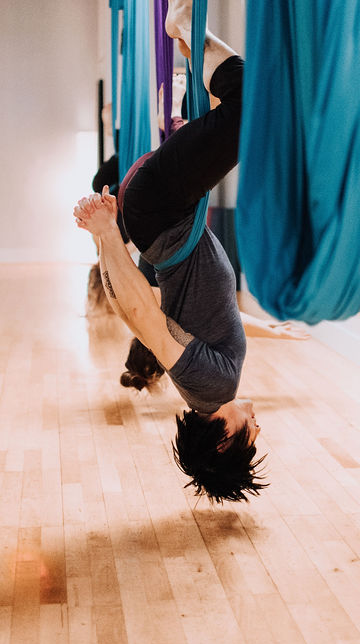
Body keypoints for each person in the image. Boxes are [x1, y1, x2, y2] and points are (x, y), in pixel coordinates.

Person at [75, 0, 273, 503]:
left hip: (160, 210)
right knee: (248, 114)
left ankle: (182, 26)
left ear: (225, 438)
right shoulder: (213, 381)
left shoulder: (209, 387)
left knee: (253, 109)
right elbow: (204, 313)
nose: (258, 426)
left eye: (251, 438)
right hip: (167, 211)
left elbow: (139, 313)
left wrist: (107, 235)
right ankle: (187, 38)